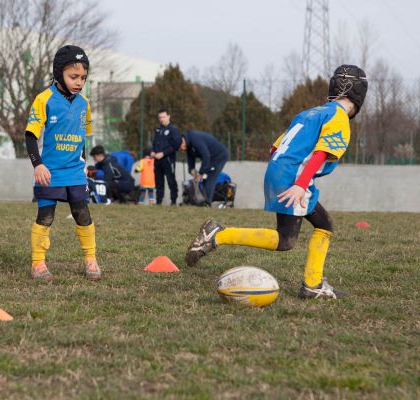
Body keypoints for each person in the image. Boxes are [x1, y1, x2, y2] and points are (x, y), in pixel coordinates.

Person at [185, 65, 368, 300]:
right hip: (294, 178)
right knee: (285, 240)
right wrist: (301, 184)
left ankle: (313, 284)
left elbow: (275, 147)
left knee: (324, 224)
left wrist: (286, 176)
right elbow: (322, 153)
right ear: (360, 93)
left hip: (279, 170)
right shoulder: (339, 117)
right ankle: (218, 235)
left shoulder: (310, 113)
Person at [25, 45, 101, 282]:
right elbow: (30, 135)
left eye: (83, 78)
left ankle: (90, 259)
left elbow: (83, 138)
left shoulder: (84, 104)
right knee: (45, 216)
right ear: (59, 74)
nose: (79, 82)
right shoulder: (44, 99)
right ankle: (38, 263)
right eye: (73, 77)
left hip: (75, 171)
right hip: (51, 171)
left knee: (82, 213)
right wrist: (38, 165)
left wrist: (85, 163)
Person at [179, 130, 229, 206]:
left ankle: (207, 203)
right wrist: (191, 170)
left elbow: (206, 155)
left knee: (210, 178)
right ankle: (203, 201)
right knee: (205, 179)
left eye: (180, 148)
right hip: (210, 158)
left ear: (182, 141)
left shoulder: (194, 139)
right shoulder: (188, 144)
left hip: (219, 156)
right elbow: (190, 158)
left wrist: (201, 173)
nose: (181, 150)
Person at [152, 108, 181, 205]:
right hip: (157, 160)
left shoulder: (173, 129)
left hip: (168, 159)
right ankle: (159, 201)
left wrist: (163, 153)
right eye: (160, 117)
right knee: (158, 181)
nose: (161, 119)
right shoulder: (158, 129)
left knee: (171, 180)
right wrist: (153, 151)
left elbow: (176, 145)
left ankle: (173, 201)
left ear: (168, 116)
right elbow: (155, 143)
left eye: (163, 117)